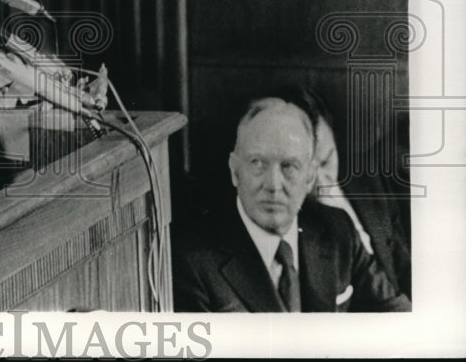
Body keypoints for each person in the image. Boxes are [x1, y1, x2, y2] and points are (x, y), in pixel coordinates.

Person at [173, 96, 410, 312]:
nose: (273, 184)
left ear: (309, 177)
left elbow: (398, 319)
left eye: (289, 166)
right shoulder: (193, 262)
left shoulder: (338, 231)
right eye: (257, 163)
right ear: (235, 170)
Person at [297, 88, 412, 298]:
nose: (323, 181)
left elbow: (403, 261)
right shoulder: (287, 220)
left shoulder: (368, 176)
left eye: (326, 161)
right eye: (307, 172)